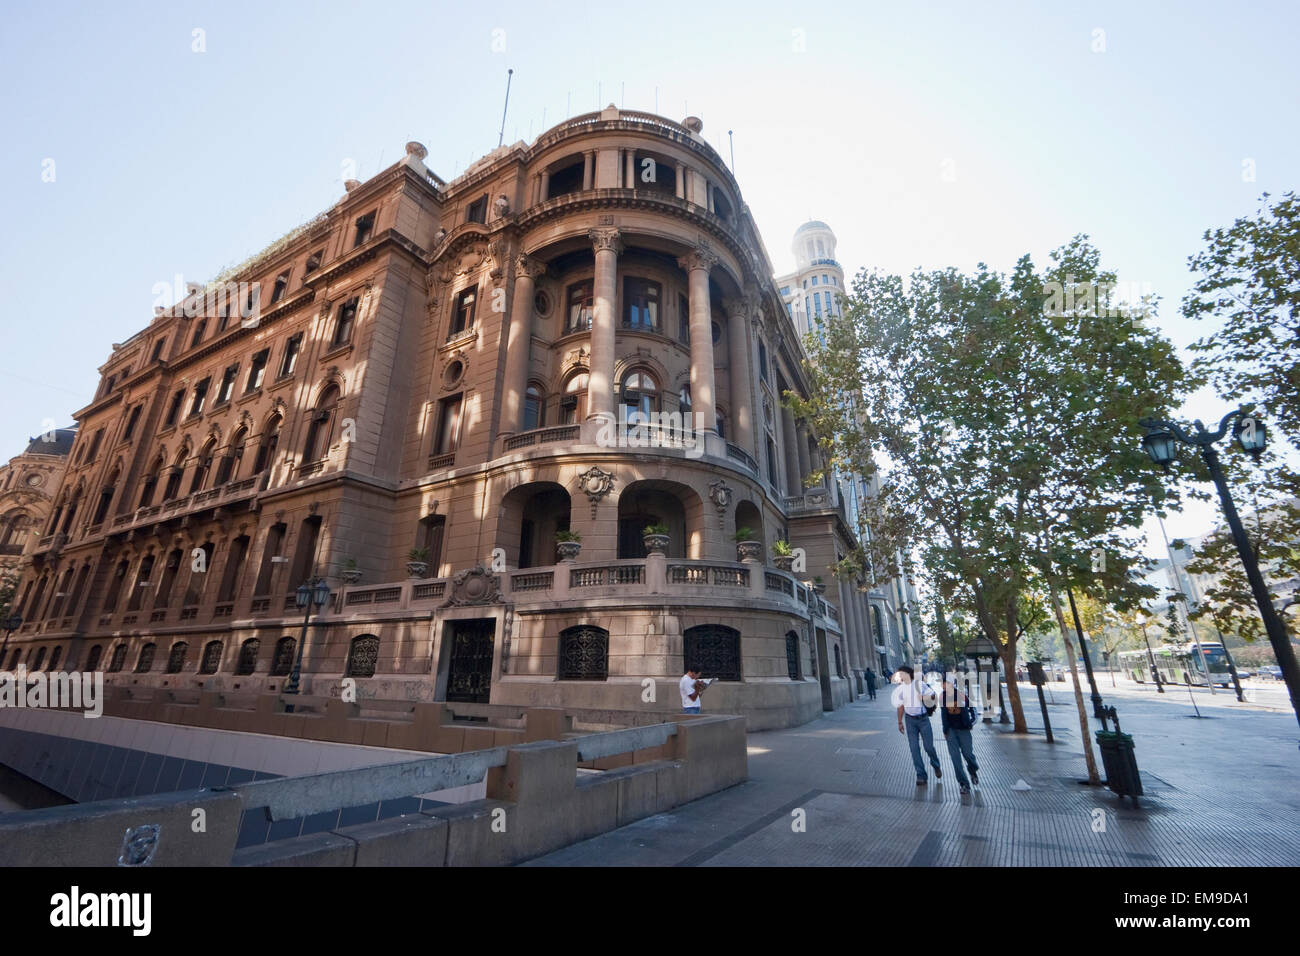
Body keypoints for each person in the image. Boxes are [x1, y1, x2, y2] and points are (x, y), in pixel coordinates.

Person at [892, 664, 941, 786]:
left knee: (928, 747)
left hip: (923, 720)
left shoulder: (919, 684)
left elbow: (933, 695)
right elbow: (900, 706)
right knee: (914, 749)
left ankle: (936, 765)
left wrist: (925, 696)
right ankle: (921, 775)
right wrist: (899, 722)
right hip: (910, 721)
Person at [940, 678, 980, 795]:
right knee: (955, 758)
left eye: (945, 683)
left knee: (968, 754)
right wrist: (945, 729)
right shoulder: (942, 697)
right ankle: (964, 784)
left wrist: (970, 723)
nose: (943, 685)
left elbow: (973, 710)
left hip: (964, 730)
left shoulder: (962, 696)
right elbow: (944, 714)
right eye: (942, 684)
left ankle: (973, 770)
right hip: (951, 731)